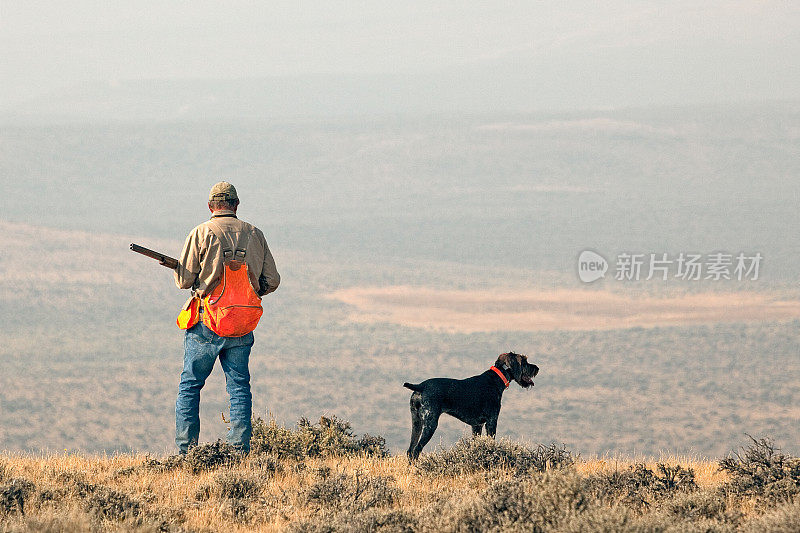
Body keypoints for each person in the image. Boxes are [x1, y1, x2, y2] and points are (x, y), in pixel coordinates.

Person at [172, 181, 280, 454]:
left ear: (210, 206)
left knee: (190, 386)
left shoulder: (201, 232)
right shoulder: (255, 234)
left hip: (206, 321)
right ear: (236, 205)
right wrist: (250, 294)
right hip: (242, 322)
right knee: (239, 387)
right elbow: (273, 280)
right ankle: (239, 451)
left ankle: (187, 452)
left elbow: (184, 281)